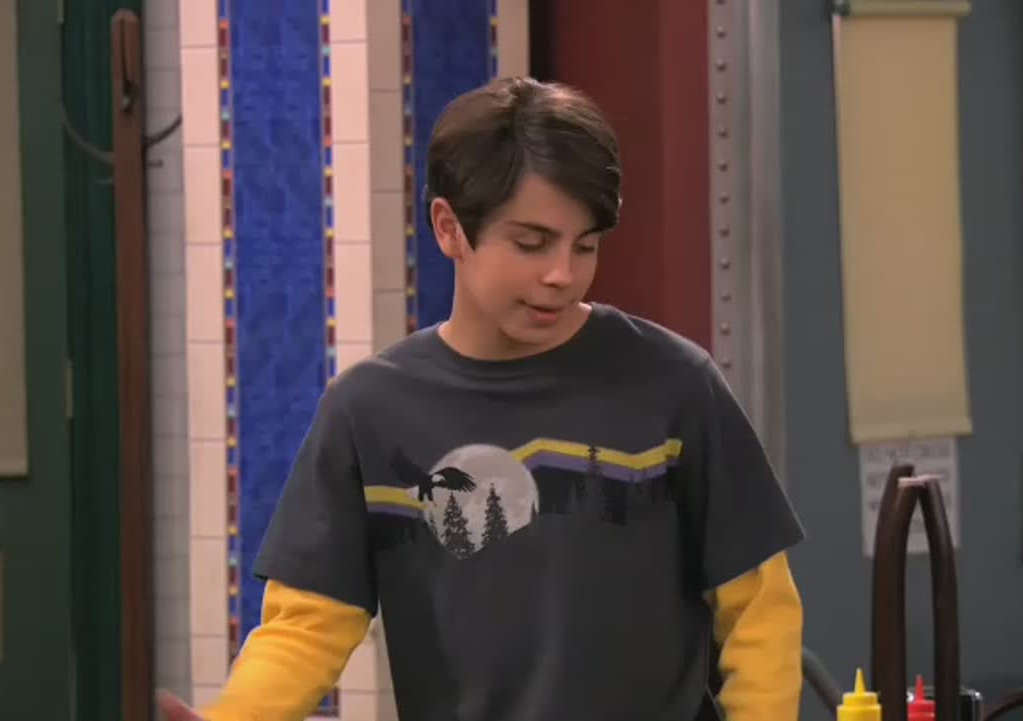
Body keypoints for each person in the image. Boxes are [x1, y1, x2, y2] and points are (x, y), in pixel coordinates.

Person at [160, 76, 805, 721]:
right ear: (449, 228)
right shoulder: (368, 411)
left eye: (584, 245)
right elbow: (306, 628)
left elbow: (759, 612)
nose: (562, 274)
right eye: (531, 243)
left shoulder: (675, 384)